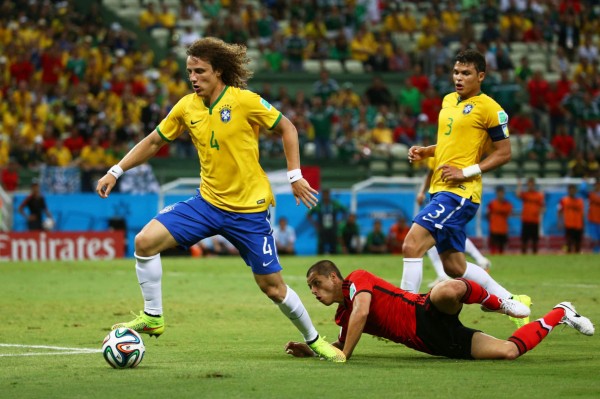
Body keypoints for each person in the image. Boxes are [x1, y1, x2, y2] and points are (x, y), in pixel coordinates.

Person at [96, 37, 345, 363]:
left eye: (200, 71)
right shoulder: (187, 107)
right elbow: (155, 141)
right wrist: (116, 169)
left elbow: (288, 128)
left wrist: (294, 176)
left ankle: (315, 340)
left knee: (273, 288)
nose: (193, 78)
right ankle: (153, 316)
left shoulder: (244, 101)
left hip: (249, 210)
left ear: (219, 71)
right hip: (207, 203)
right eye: (190, 71)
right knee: (144, 242)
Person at [401, 49, 531, 327]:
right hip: (439, 189)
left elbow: (503, 153)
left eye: (466, 73)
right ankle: (510, 300)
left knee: (412, 244)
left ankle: (405, 314)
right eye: (456, 72)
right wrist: (427, 151)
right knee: (454, 267)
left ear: (481, 76)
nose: (458, 78)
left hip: (460, 194)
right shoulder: (448, 100)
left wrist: (466, 172)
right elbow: (452, 145)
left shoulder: (491, 109)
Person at [284, 260, 594, 362]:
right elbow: (341, 340)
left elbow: (362, 314)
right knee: (508, 352)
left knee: (449, 289)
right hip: (436, 343)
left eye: (317, 283)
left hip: (424, 311)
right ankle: (561, 312)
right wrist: (310, 351)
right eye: (310, 287)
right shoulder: (343, 317)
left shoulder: (358, 281)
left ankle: (501, 304)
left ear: (335, 278)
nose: (313, 290)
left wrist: (343, 357)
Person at [416, 159, 492, 289]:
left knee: (431, 235)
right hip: (450, 196)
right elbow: (431, 173)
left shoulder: (450, 151)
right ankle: (481, 261)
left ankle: (444, 275)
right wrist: (423, 191)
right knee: (451, 236)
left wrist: (422, 192)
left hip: (453, 197)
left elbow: (431, 172)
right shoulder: (444, 151)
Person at [307, 188, 347, 255]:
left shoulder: (334, 204)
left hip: (333, 228)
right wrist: (315, 224)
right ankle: (320, 262)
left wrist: (340, 221)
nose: (325, 196)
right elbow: (309, 214)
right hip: (322, 228)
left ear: (329, 195)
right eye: (324, 194)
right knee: (321, 246)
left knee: (333, 246)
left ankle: (334, 261)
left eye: (327, 194)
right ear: (322, 195)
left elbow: (345, 211)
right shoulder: (319, 205)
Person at [516, 177, 545, 254]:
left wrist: (540, 211)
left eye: (532, 184)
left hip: (535, 221)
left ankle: (534, 256)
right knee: (524, 241)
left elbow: (543, 207)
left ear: (534, 185)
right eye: (529, 184)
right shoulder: (525, 194)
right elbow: (518, 195)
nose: (530, 186)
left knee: (535, 241)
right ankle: (523, 256)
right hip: (526, 220)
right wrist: (519, 185)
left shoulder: (538, 195)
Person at [558, 184, 585, 253]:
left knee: (577, 245)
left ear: (575, 191)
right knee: (569, 244)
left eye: (573, 190)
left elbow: (582, 214)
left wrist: (583, 224)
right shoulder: (563, 200)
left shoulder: (580, 201)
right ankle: (568, 260)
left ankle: (577, 260)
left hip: (578, 225)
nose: (572, 191)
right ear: (568, 191)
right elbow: (559, 211)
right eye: (570, 190)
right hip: (569, 225)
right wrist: (560, 222)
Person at [486, 185, 512, 254]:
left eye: (502, 193)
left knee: (502, 247)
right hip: (494, 228)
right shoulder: (492, 203)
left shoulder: (507, 204)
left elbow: (509, 213)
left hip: (503, 228)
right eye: (499, 193)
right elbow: (487, 214)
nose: (500, 194)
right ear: (497, 193)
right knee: (493, 246)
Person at [587, 179, 600, 253]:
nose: (597, 186)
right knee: (594, 238)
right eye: (596, 184)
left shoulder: (592, 195)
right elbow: (582, 189)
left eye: (598, 184)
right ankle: (595, 251)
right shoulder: (591, 194)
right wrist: (584, 181)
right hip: (593, 219)